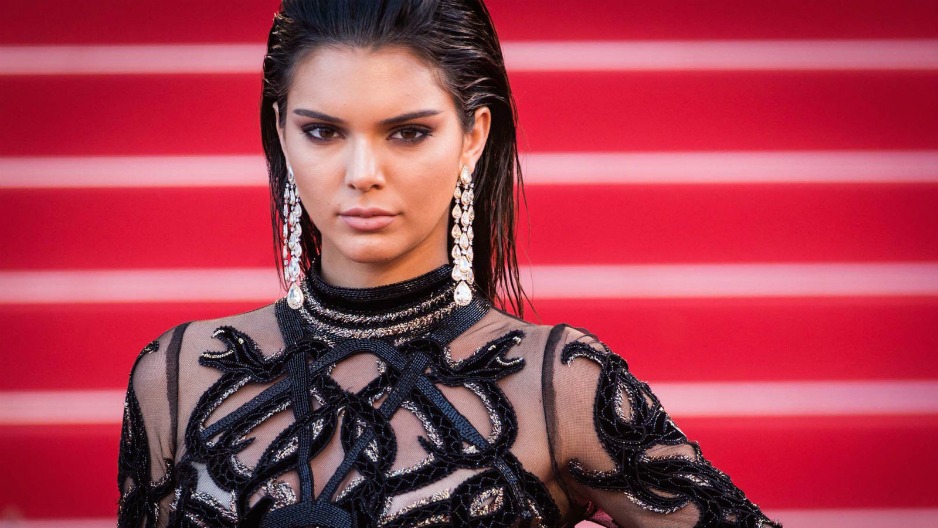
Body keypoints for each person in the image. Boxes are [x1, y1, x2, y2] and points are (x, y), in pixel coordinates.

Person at [117, 1, 782, 527]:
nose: (362, 173)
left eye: (408, 132)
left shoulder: (555, 385)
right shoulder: (175, 377)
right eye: (323, 131)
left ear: (473, 138)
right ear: (282, 133)